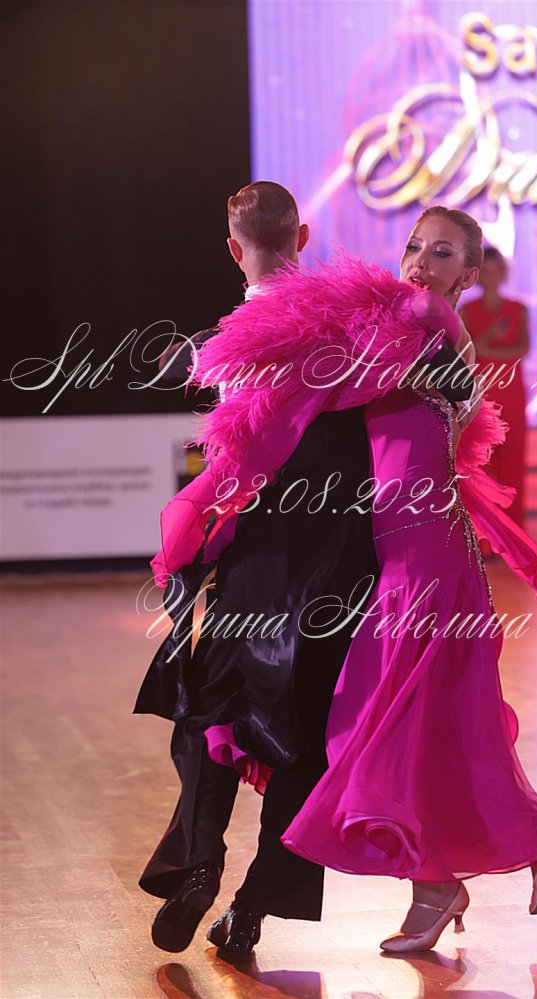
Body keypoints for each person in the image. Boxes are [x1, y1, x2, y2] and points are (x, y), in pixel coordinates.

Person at [161, 206, 537, 958]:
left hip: (422, 553)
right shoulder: (399, 323)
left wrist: (243, 361)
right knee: (416, 725)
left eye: (443, 253)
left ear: (470, 273)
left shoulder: (423, 321)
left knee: (383, 723)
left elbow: (347, 382)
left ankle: (503, 852)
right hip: (389, 549)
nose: (421, 263)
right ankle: (439, 882)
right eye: (415, 246)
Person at [134, 181, 380, 956]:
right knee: (303, 735)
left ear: (233, 249)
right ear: (302, 237)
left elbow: (231, 463)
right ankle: (252, 910)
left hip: (256, 556)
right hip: (337, 557)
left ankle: (199, 860)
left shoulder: (224, 344)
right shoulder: (355, 324)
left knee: (209, 709)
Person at [461, 246, 529, 526]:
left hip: (511, 394)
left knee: (513, 464)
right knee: (481, 466)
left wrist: (487, 349)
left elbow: (523, 348)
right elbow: (464, 351)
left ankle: (514, 531)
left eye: (495, 270)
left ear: (503, 272)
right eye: (485, 271)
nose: (491, 276)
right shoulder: (466, 311)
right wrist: (488, 340)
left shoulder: (518, 309)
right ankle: (484, 536)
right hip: (481, 395)